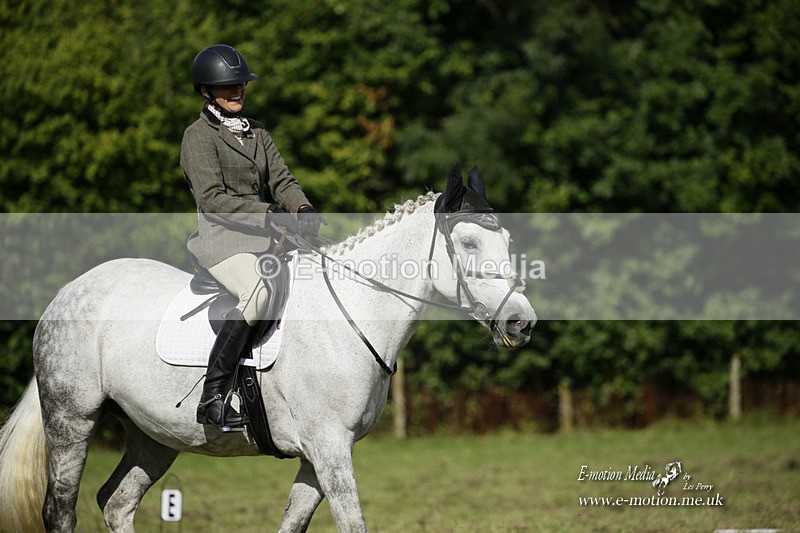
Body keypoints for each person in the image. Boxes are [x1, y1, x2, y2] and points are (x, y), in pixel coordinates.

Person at [181, 44, 324, 428]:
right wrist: (270, 215)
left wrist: (302, 209)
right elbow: (211, 199)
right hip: (223, 242)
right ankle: (212, 396)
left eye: (241, 84)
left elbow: (282, 180)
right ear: (207, 91)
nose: (238, 91)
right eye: (228, 86)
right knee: (258, 293)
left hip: (267, 238)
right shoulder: (197, 137)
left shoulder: (257, 131)